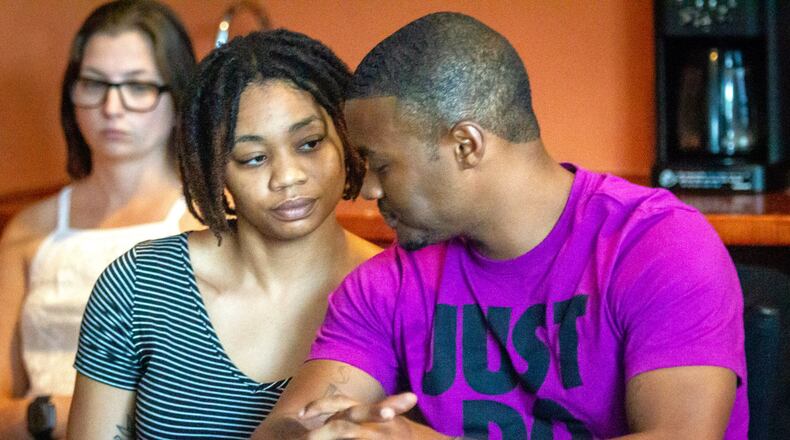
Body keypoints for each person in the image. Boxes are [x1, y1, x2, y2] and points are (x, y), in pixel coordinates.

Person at [254, 12, 747, 439]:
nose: (368, 193)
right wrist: (329, 430)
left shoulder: (658, 244)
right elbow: (286, 428)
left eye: (381, 166)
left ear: (466, 145)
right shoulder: (387, 283)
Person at [66, 29, 381, 439]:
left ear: (345, 135)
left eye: (309, 144)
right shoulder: (140, 287)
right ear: (215, 169)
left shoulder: (397, 286)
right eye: (253, 158)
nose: (287, 176)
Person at [0, 0, 198, 437]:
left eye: (138, 86)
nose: (112, 107)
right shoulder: (29, 230)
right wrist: (50, 418)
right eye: (94, 83)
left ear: (178, 96)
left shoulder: (209, 221)